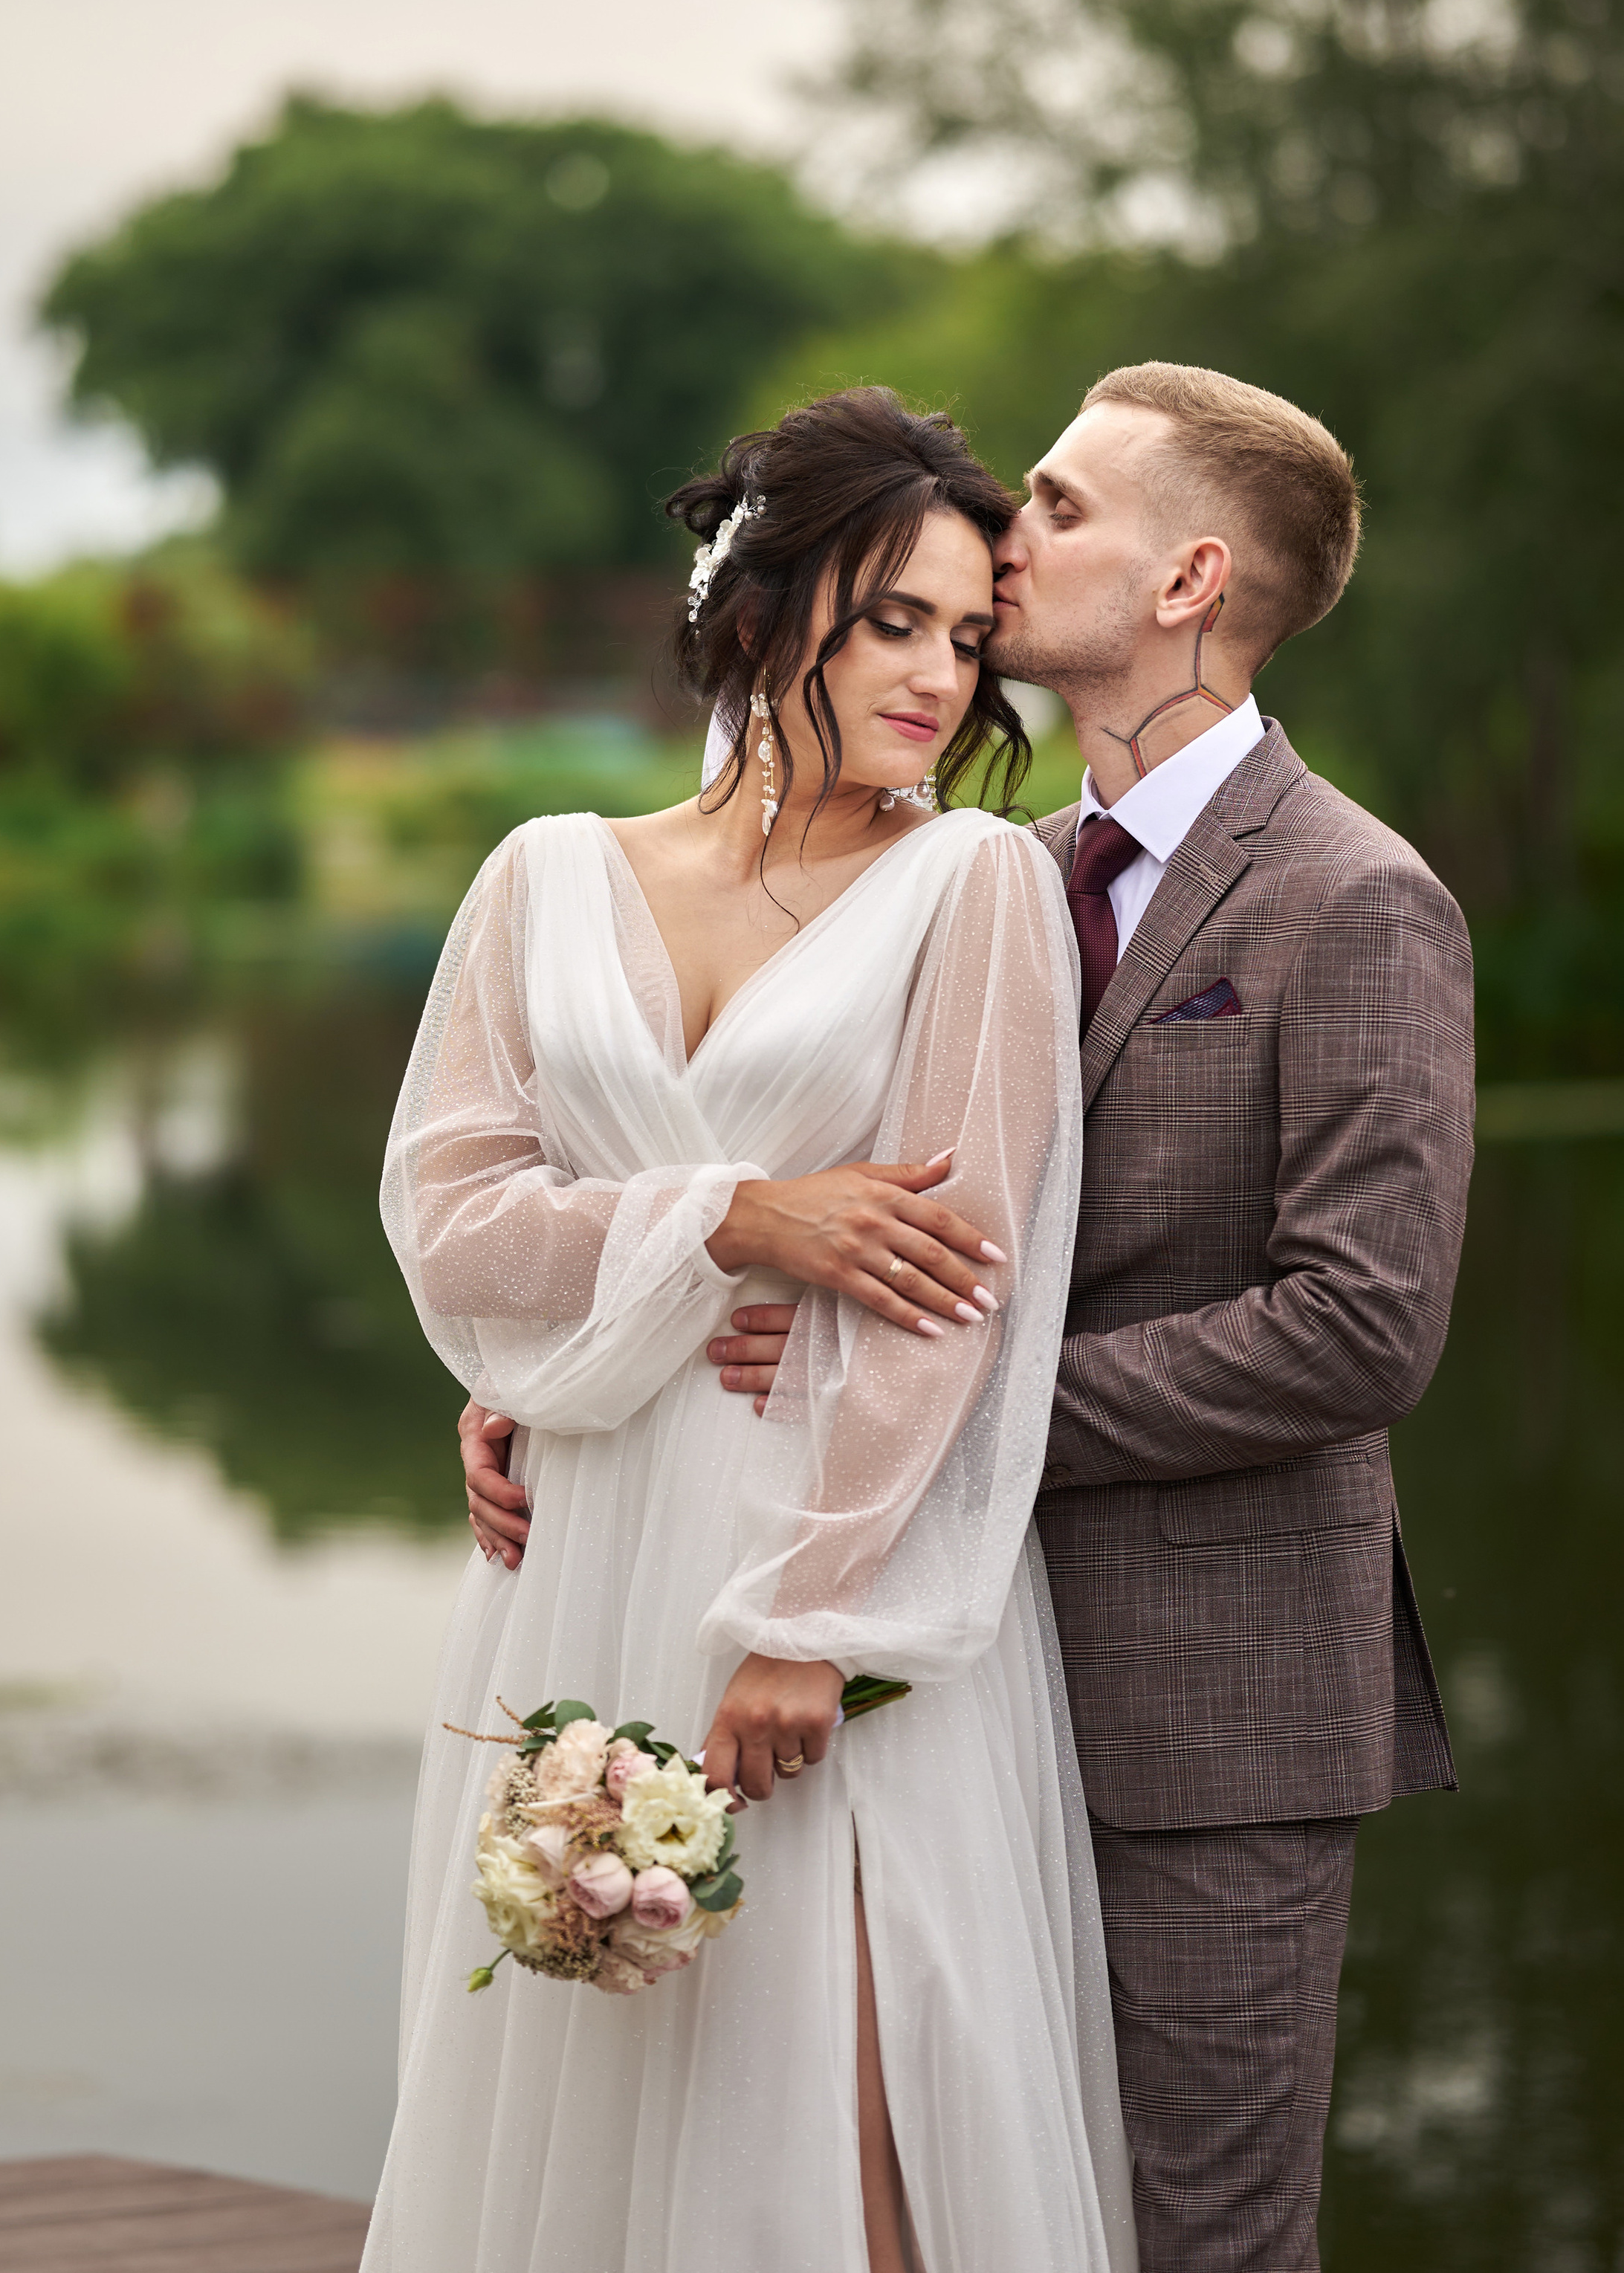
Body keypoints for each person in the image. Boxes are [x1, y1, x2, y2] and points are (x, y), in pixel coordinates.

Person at [467, 361, 1476, 2273]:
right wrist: (571, 1373)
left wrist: (942, 1404)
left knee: (1193, 2232)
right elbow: (831, 1209)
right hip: (941, 1682)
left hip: (1208, 1702)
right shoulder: (984, 878)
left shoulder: (1357, 898)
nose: (1012, 540)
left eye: (1062, 508)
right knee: (957, 2202)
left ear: (1187, 581)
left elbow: (1356, 1330)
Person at [369, 388, 1137, 2273]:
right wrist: (728, 1218)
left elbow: (957, 1292)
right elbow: (448, 1221)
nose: (941, 680)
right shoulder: (541, 873)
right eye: (894, 619)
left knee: (846, 2102)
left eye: (971, 639)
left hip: (823, 1566)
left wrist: (816, 1622)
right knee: (594, 2089)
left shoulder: (972, 882)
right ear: (764, 600)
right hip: (582, 1547)